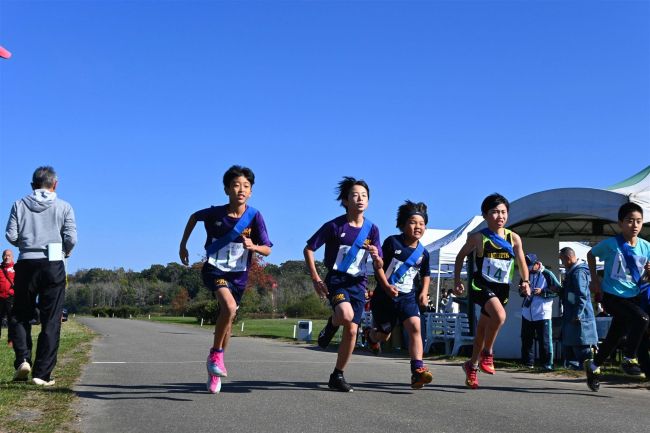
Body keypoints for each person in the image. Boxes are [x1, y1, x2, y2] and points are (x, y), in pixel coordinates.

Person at [179, 165, 272, 394]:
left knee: (228, 319)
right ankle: (215, 355)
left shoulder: (255, 216)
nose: (241, 190)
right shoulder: (215, 214)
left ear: (251, 191)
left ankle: (215, 367)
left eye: (246, 186)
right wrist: (183, 245)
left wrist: (254, 246)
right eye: (236, 185)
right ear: (226, 189)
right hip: (215, 270)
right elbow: (193, 217)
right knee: (228, 307)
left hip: (239, 276)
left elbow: (268, 249)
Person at [304, 177, 382, 392]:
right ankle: (332, 324)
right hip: (337, 281)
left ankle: (337, 375)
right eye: (355, 195)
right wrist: (315, 278)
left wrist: (376, 257)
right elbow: (309, 248)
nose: (360, 199)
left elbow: (380, 263)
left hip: (359, 283)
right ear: (345, 200)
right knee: (345, 316)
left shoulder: (372, 229)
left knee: (352, 331)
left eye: (364, 196)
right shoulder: (334, 226)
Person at [5, 166, 77, 386]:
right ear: (55, 184)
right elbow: (71, 237)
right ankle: (42, 373)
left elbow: (11, 235)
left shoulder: (19, 204)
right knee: (51, 318)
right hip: (53, 262)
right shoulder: (64, 206)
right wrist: (64, 250)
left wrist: (26, 244)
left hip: (26, 262)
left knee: (20, 313)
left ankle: (23, 359)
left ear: (32, 185)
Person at [453, 193, 530, 389]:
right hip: (481, 286)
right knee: (500, 316)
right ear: (485, 215)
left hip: (501, 289)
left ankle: (472, 365)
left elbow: (521, 262)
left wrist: (526, 281)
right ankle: (488, 354)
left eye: (503, 212)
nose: (500, 216)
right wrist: (457, 281)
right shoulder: (478, 238)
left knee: (482, 330)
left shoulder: (514, 238)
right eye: (495, 212)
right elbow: (460, 257)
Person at [364, 201, 433, 389]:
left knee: (415, 327)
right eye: (412, 222)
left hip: (407, 297)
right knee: (384, 335)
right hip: (384, 298)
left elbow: (426, 274)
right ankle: (371, 336)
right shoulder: (391, 242)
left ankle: (417, 370)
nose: (417, 227)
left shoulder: (423, 253)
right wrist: (386, 286)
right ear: (402, 224)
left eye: (421, 223)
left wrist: (424, 293)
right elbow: (379, 266)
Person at [584, 202, 650, 392]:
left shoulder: (646, 247)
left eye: (638, 221)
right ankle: (629, 358)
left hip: (633, 296)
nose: (635, 225)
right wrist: (595, 279)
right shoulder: (611, 244)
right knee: (642, 319)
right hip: (611, 296)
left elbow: (646, 278)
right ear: (620, 223)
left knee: (614, 336)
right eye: (630, 221)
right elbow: (590, 254)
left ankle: (594, 366)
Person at [557, 247, 598, 369]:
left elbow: (582, 295)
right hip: (572, 317)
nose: (563, 264)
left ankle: (589, 371)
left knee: (582, 348)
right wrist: (560, 291)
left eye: (562, 260)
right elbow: (572, 294)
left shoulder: (579, 272)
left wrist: (578, 314)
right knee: (572, 347)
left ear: (568, 258)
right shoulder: (573, 272)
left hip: (579, 318)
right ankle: (576, 369)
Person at [519, 254, 560, 370]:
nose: (529, 269)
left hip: (543, 313)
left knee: (544, 340)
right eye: (527, 267)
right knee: (526, 339)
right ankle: (527, 363)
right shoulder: (525, 274)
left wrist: (543, 291)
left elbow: (558, 290)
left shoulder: (547, 274)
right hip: (527, 312)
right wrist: (522, 291)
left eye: (531, 266)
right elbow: (520, 291)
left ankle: (547, 364)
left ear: (537, 264)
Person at [0, 249, 15, 345]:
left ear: (12, 257)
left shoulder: (16, 268)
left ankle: (11, 340)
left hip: (11, 297)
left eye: (9, 255)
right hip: (0, 297)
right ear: (2, 257)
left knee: (12, 320)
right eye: (5, 255)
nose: (7, 257)